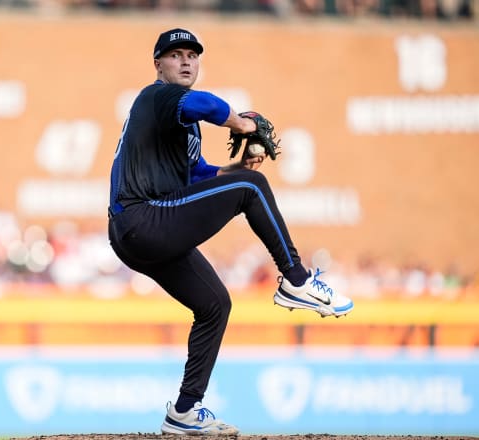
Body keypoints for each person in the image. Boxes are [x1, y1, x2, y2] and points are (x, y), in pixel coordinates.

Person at [107, 28, 354, 435]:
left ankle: (183, 413)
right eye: (176, 55)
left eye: (193, 55)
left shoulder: (180, 122)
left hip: (139, 232)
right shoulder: (158, 97)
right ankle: (296, 280)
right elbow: (205, 103)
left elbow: (198, 174)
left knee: (215, 304)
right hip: (142, 219)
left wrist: (236, 172)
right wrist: (240, 123)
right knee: (251, 190)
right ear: (158, 64)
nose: (186, 61)